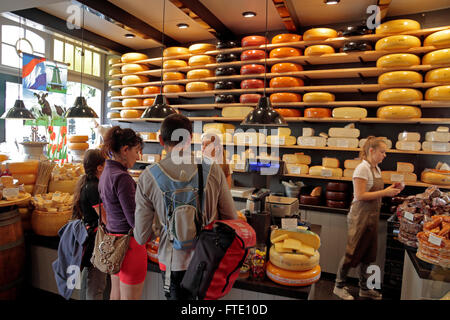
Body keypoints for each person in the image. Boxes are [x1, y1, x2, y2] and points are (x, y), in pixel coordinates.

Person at [134, 114, 237, 300]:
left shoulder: (148, 177)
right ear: (190, 138)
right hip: (206, 260)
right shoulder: (213, 169)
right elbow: (231, 218)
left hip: (171, 262)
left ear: (160, 140)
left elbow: (141, 236)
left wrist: (161, 226)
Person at [333, 136, 403, 300]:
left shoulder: (376, 168)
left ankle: (364, 288)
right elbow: (360, 195)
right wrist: (385, 193)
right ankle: (338, 286)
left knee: (368, 253)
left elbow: (374, 192)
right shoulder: (362, 169)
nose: (385, 155)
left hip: (372, 216)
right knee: (352, 253)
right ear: (371, 151)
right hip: (359, 216)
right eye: (382, 152)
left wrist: (392, 188)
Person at [98, 126, 146, 300]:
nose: (138, 156)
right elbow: (135, 221)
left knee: (115, 294)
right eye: (136, 151)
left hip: (114, 243)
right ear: (125, 149)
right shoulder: (122, 178)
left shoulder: (106, 172)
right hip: (130, 246)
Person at [71, 149, 110, 300]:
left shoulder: (87, 184)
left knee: (88, 281)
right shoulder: (94, 187)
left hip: (90, 238)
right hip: (96, 240)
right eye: (106, 162)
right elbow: (105, 218)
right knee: (97, 286)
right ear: (99, 167)